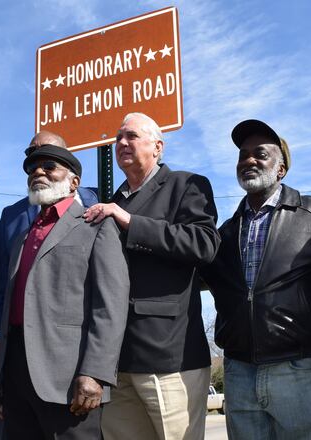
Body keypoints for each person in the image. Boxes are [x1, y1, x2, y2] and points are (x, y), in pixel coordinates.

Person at [84, 112, 220, 440]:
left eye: (131, 136)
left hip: (170, 357)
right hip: (117, 362)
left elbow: (204, 245)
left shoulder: (186, 185)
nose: (121, 143)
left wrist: (131, 222)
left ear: (158, 146)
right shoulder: (111, 202)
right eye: (118, 138)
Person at [200, 119, 311, 440]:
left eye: (260, 154)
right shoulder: (225, 233)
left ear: (281, 169)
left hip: (296, 370)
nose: (249, 160)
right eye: (243, 155)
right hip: (238, 371)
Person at [0, 145, 129, 439]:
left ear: (74, 181)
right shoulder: (22, 238)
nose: (38, 172)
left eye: (49, 166)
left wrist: (96, 373)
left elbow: (111, 305)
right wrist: (2, 377)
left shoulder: (96, 226)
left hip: (69, 380)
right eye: (32, 169)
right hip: (17, 375)